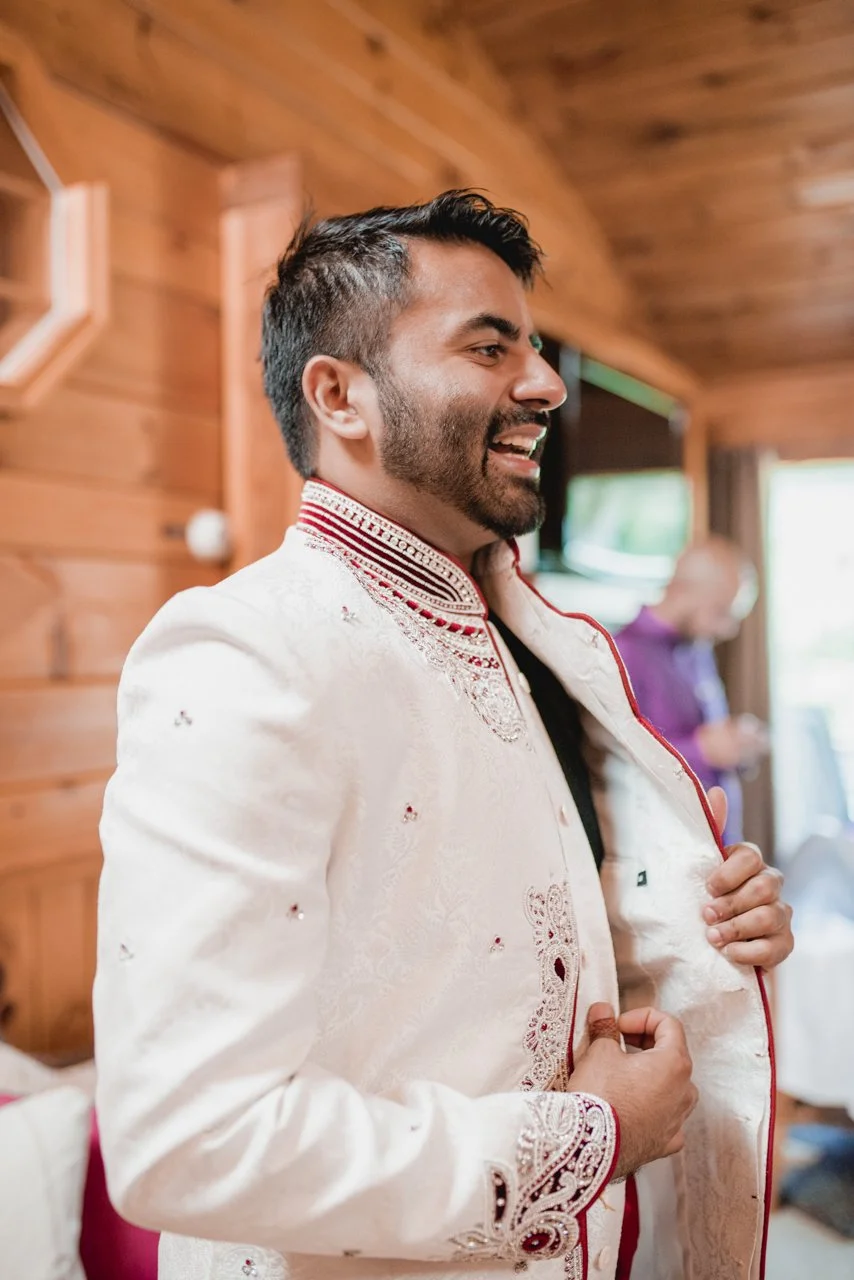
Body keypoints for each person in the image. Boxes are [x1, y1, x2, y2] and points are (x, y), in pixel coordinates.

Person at [94, 192, 793, 1280]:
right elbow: (190, 1140)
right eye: (487, 344)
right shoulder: (239, 651)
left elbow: (488, 951)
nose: (546, 383)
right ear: (341, 395)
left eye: (534, 345)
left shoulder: (527, 641)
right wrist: (586, 1138)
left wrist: (694, 918)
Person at [615, 539, 769, 844]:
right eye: (721, 612)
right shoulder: (622, 654)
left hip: (719, 842)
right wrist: (702, 752)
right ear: (685, 591)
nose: (729, 630)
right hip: (668, 846)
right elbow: (620, 760)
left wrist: (736, 745)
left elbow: (707, 732)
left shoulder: (698, 649)